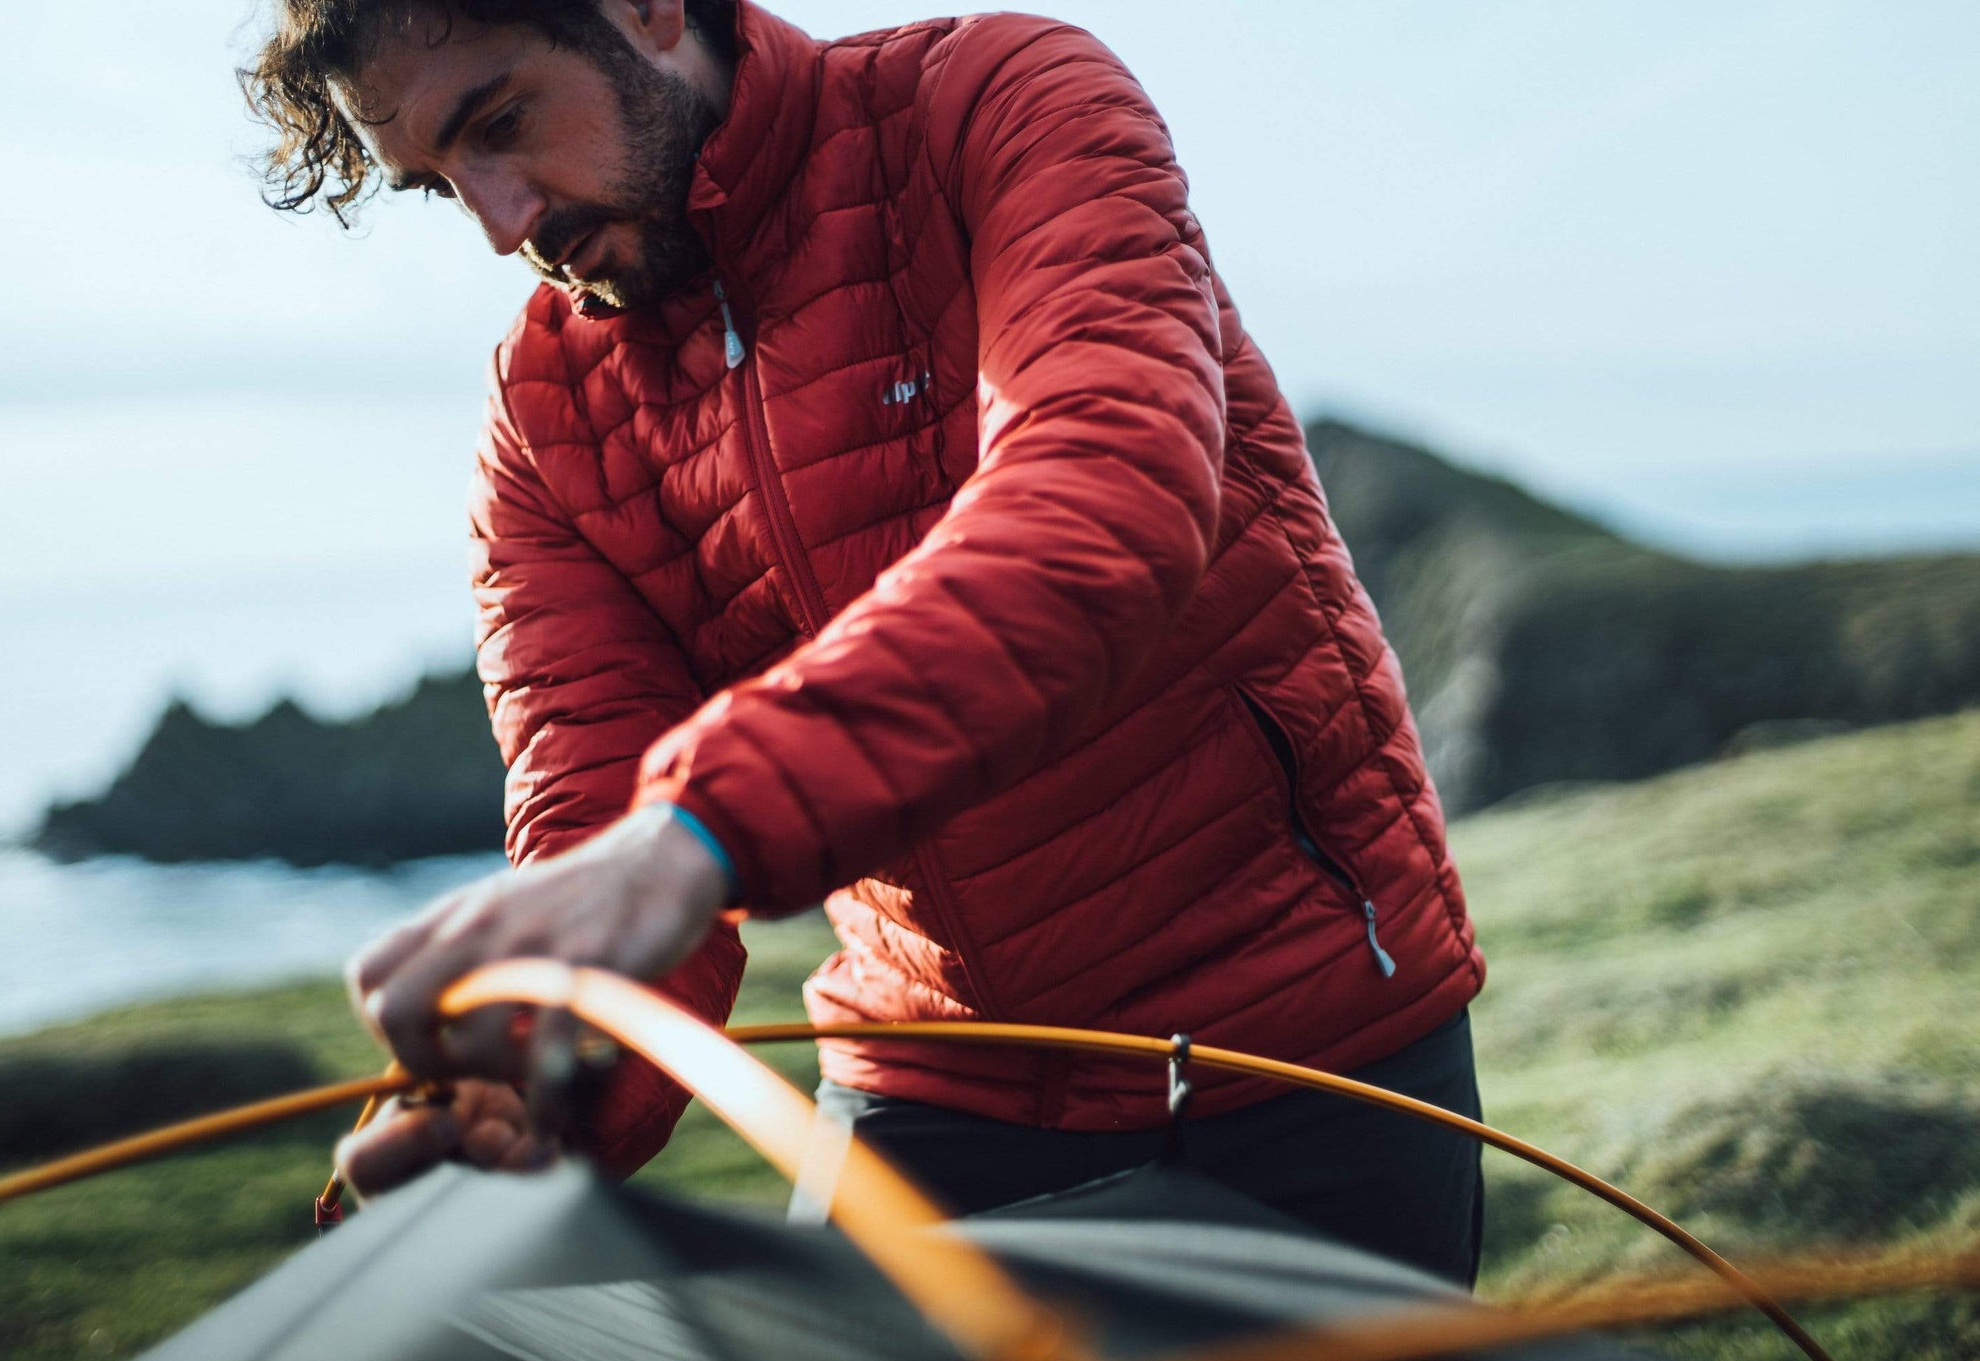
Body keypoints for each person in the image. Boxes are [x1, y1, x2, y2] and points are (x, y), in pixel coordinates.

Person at [243, 0, 1490, 1286]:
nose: (505, 223)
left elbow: (1102, 494)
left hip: (1298, 1039)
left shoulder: (994, 100)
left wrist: (698, 833)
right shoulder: (545, 409)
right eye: (443, 188)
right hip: (927, 1077)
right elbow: (590, 824)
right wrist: (523, 1101)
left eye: (500, 123)